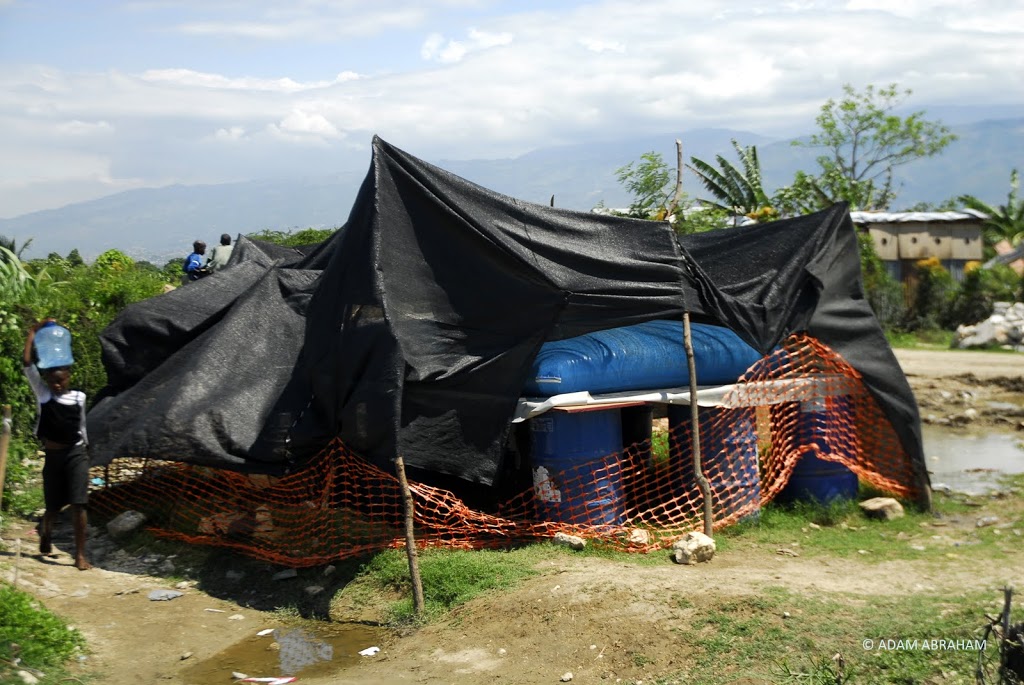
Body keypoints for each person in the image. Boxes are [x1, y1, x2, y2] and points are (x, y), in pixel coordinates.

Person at [23, 320, 91, 571]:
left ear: (68, 377)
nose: (57, 386)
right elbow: (28, 365)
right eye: (52, 382)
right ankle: (46, 532)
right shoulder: (44, 395)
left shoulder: (79, 397)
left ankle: (80, 555)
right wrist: (31, 334)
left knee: (79, 503)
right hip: (53, 455)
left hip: (75, 451)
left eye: (61, 381)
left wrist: (87, 447)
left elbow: (82, 424)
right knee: (52, 507)